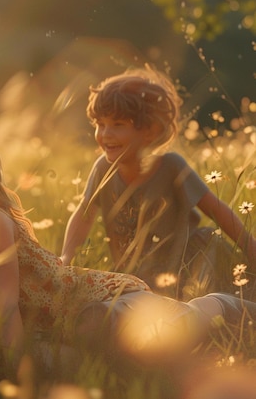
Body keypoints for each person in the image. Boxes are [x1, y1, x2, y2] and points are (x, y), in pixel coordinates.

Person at [0, 119, 256, 376]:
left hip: (101, 303)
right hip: (55, 334)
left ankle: (220, 306)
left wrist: (18, 378)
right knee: (80, 365)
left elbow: (6, 306)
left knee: (164, 329)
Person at [60, 66, 256, 300]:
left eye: (118, 124)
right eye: (100, 124)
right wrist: (65, 258)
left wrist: (250, 249)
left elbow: (216, 209)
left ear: (150, 131)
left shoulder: (171, 166)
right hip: (136, 273)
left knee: (212, 301)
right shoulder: (103, 168)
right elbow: (84, 214)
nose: (105, 134)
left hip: (189, 264)